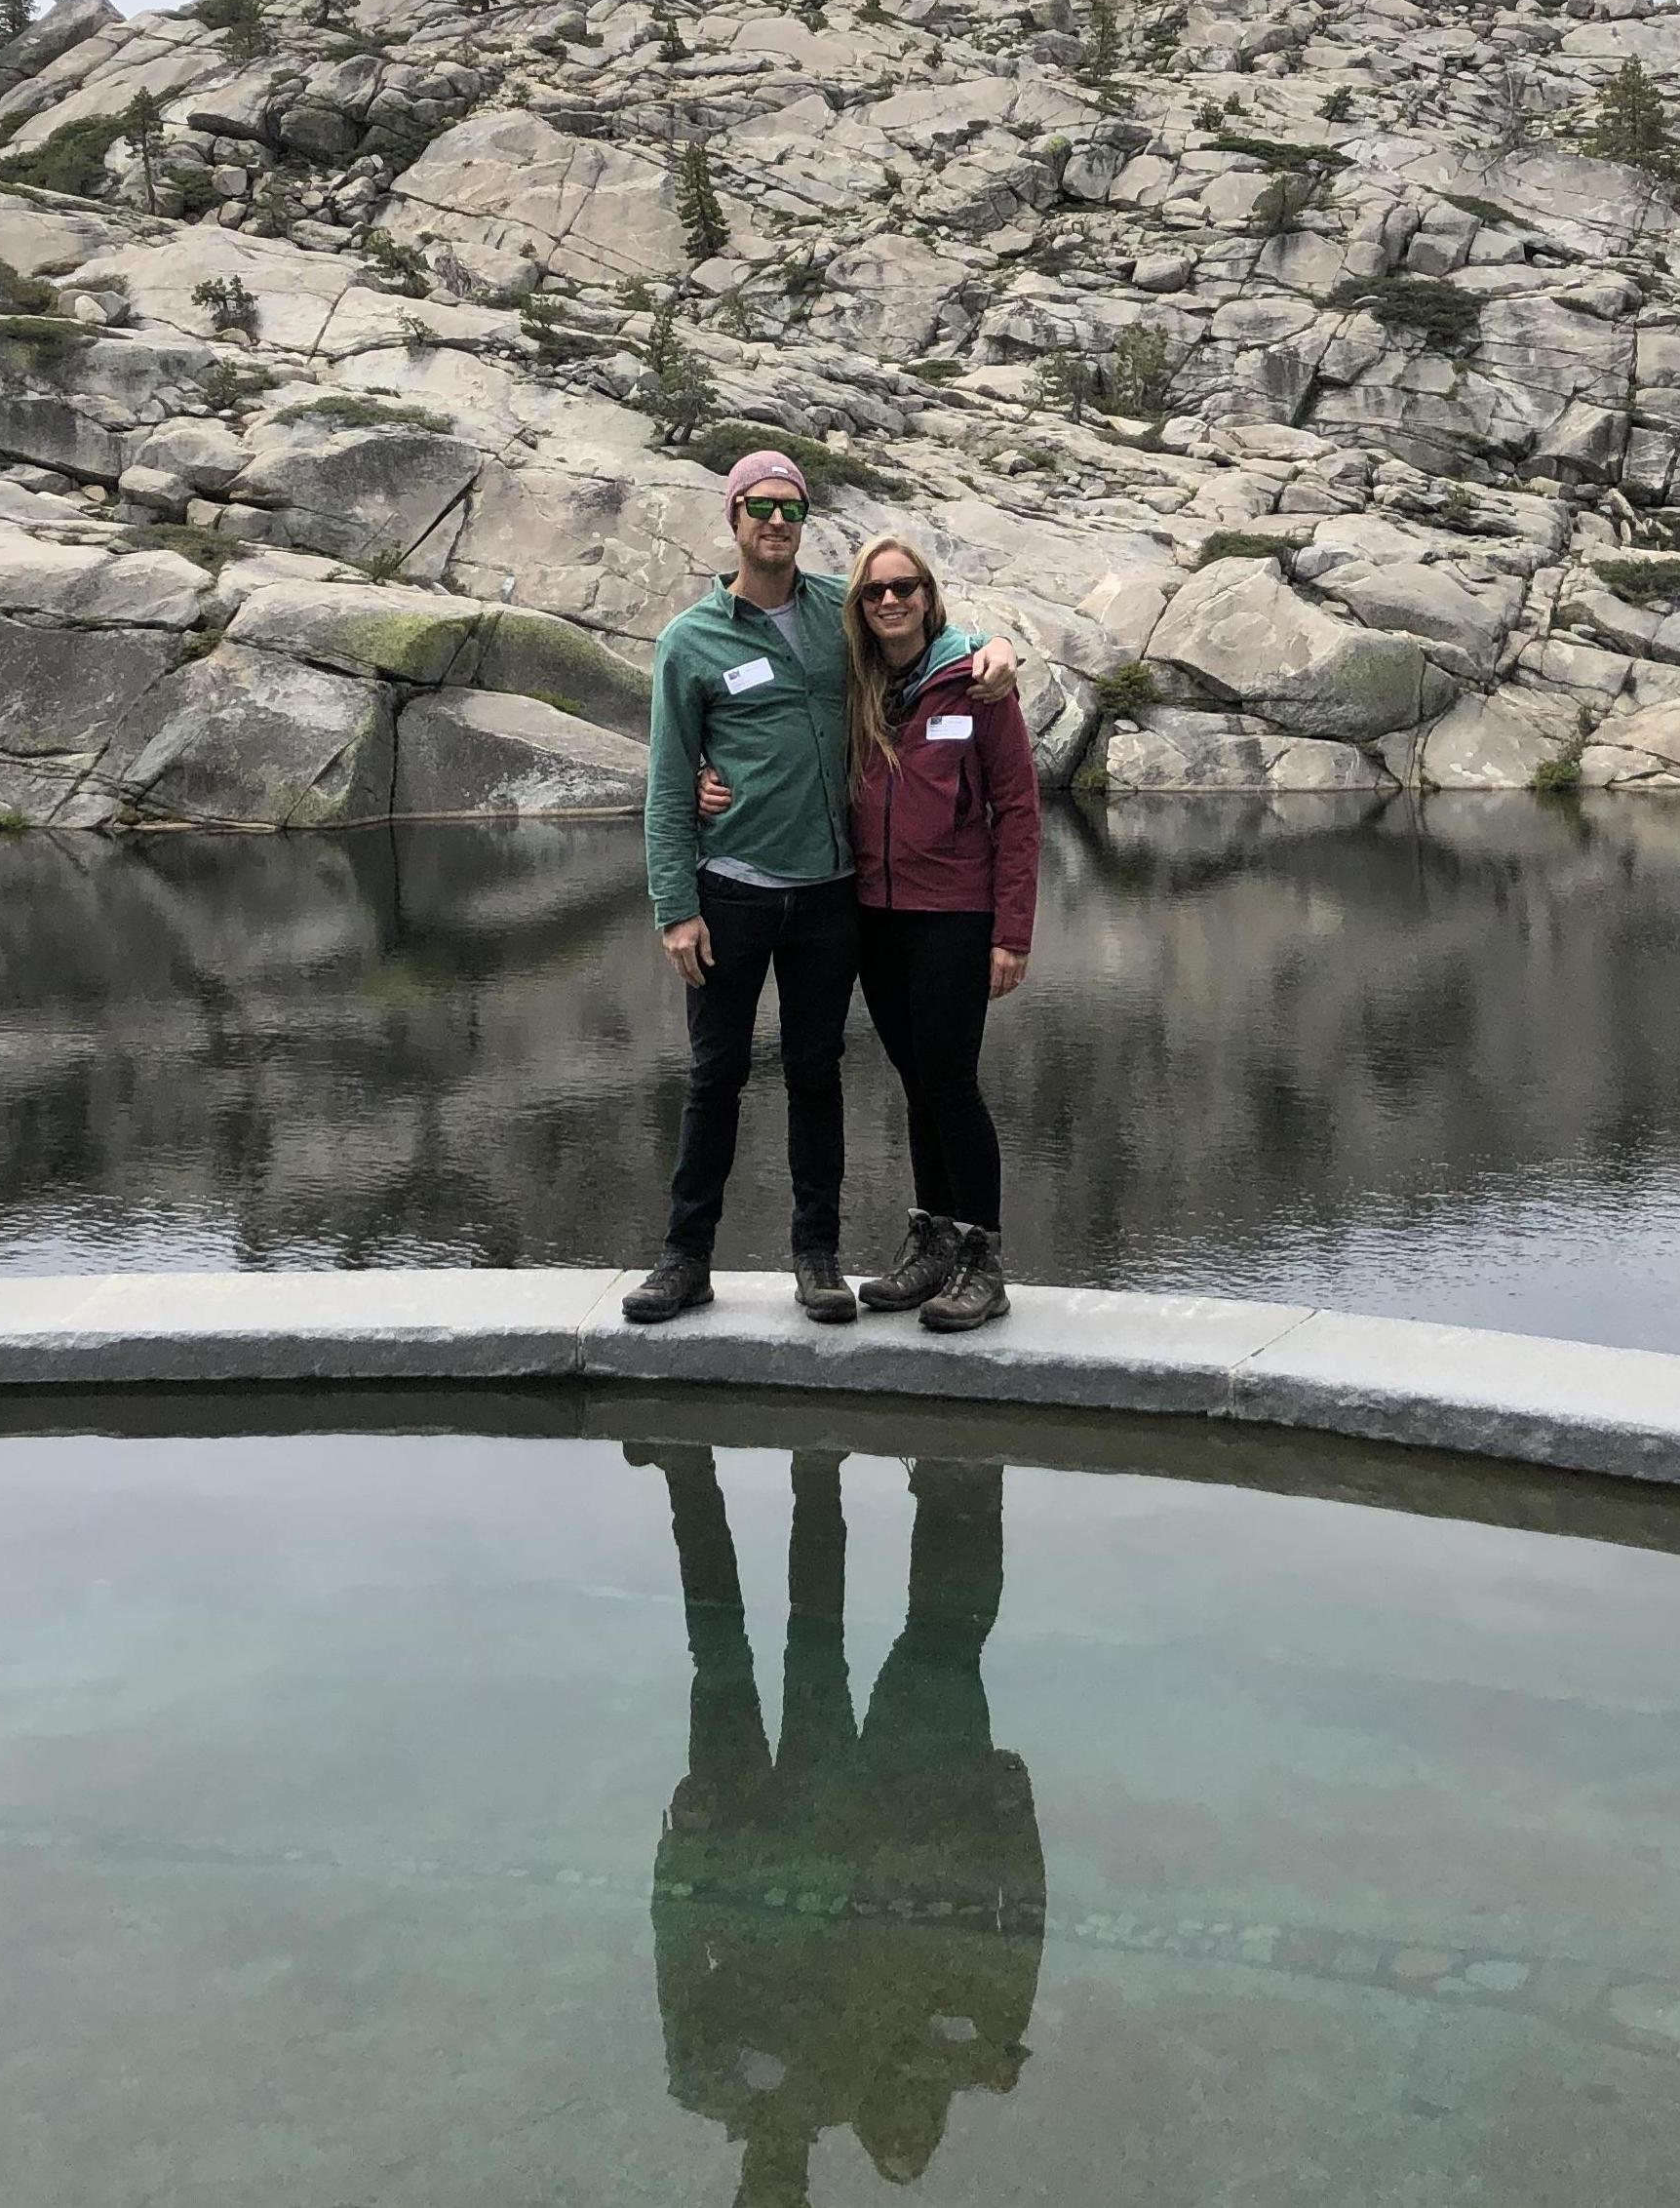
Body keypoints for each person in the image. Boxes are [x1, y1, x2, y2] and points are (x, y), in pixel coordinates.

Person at [629, 452, 1016, 1328]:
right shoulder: (689, 640)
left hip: (831, 897)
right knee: (713, 1077)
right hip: (729, 891)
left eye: (791, 508)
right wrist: (674, 907)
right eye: (760, 506)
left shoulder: (840, 611)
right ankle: (685, 1258)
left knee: (816, 1076)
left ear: (804, 521)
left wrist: (992, 645)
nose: (776, 521)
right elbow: (667, 780)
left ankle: (817, 1259)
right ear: (732, 517)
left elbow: (921, 622)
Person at [635, 1440, 1040, 2205]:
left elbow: (676, 1957)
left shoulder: (701, 2085)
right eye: (788, 2202)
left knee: (722, 1654)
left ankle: (694, 1472)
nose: (775, 2185)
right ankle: (815, 1471)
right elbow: (877, 1971)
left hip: (732, 1841)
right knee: (814, 1648)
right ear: (806, 2195)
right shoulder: (841, 2088)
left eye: (758, 2201)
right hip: (826, 1829)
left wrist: (683, 1849)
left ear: (739, 2195)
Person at [838, 532, 1038, 1333]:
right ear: (859, 606)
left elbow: (1018, 810)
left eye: (904, 586)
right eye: (874, 591)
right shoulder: (854, 684)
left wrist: (1012, 931)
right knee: (916, 1081)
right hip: (874, 916)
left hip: (955, 914)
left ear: (928, 595)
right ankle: (934, 1240)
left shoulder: (976, 683)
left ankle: (982, 1258)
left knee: (950, 1081)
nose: (890, 600)